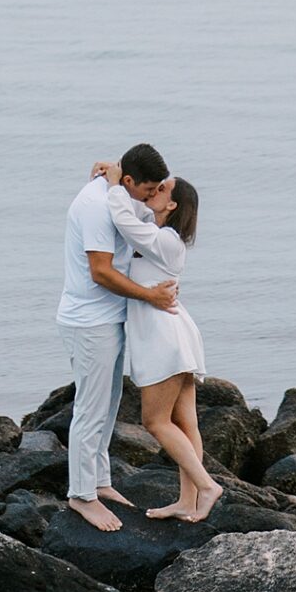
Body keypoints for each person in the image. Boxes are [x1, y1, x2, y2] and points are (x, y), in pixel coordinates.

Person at [57, 144, 182, 532]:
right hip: (89, 322)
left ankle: (99, 483)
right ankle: (81, 495)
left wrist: (112, 172)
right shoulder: (96, 206)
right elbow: (101, 272)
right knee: (90, 410)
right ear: (129, 181)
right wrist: (151, 296)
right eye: (147, 190)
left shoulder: (116, 193)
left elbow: (139, 209)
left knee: (108, 407)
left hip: (109, 318)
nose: (150, 198)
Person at [92, 159, 220, 524]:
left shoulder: (165, 240)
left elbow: (122, 218)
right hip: (174, 332)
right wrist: (116, 170)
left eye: (162, 188)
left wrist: (116, 183)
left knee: (155, 421)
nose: (156, 188)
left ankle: (207, 487)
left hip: (164, 339)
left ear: (173, 204)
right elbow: (134, 211)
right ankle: (187, 501)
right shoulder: (158, 231)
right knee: (185, 422)